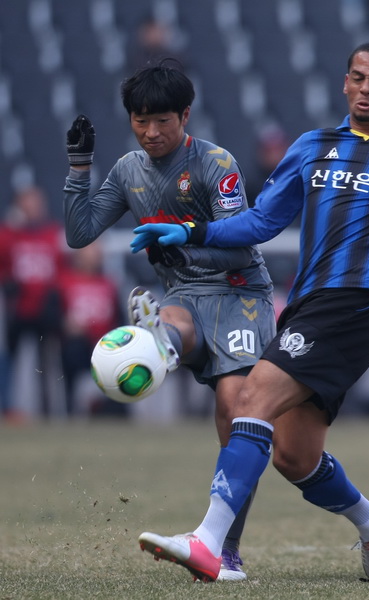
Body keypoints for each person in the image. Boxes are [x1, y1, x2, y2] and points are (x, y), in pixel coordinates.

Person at [130, 41, 369, 582]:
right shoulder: (313, 146)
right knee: (293, 456)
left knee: (250, 399)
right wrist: (193, 231)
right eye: (357, 77)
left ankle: (209, 543)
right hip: (307, 304)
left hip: (352, 303)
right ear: (344, 83)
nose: (366, 89)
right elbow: (263, 221)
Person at [63, 59, 276, 581]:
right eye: (141, 121)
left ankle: (227, 550)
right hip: (183, 294)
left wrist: (184, 240)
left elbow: (240, 244)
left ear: (185, 116)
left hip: (239, 293)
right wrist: (79, 167)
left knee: (234, 416)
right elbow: (79, 233)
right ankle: (159, 343)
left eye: (163, 121)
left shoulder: (216, 164)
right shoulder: (127, 171)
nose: (152, 132)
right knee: (174, 322)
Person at [0, 186, 66, 419]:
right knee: (10, 359)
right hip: (17, 308)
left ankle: (47, 411)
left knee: (46, 363)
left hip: (44, 309)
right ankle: (7, 407)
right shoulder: (9, 234)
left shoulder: (52, 233)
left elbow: (61, 269)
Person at [57, 242, 125, 417]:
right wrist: (65, 323)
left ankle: (114, 411)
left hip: (106, 343)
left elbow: (120, 318)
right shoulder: (64, 282)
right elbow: (51, 315)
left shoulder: (109, 283)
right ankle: (73, 409)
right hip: (78, 344)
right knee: (73, 352)